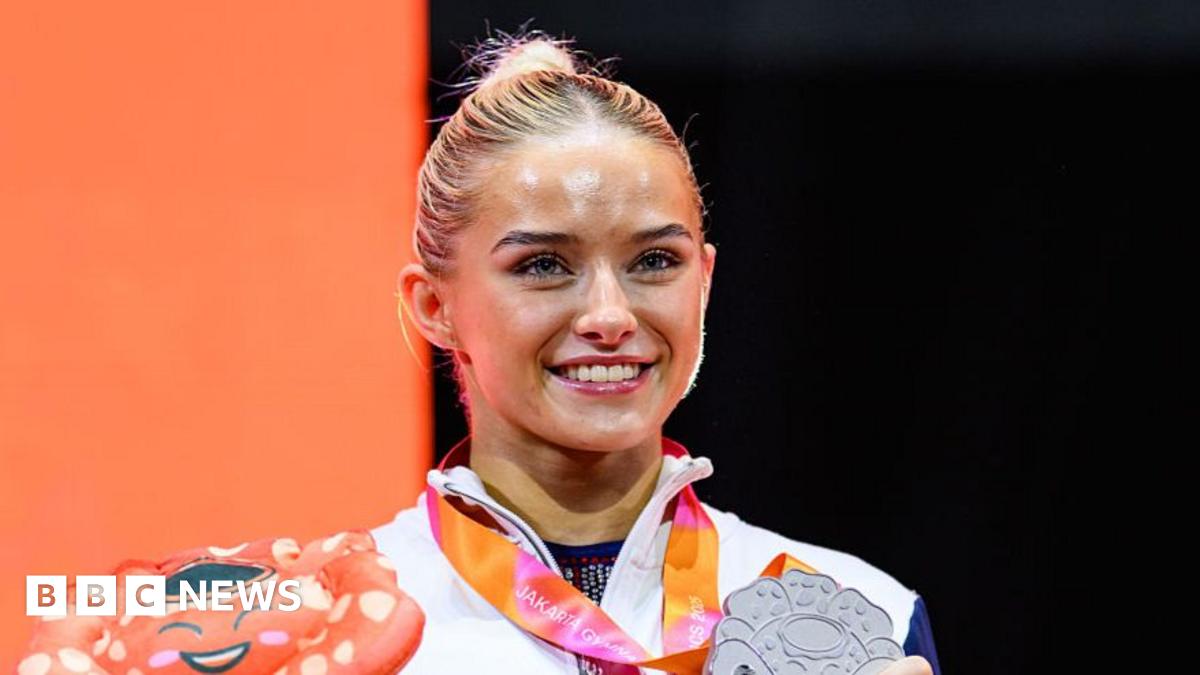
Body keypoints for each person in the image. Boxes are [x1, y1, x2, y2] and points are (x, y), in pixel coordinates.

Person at [374, 31, 940, 675]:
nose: (610, 316)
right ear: (433, 306)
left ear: (703, 280)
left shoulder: (856, 622)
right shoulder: (325, 623)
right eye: (543, 265)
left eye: (653, 261)